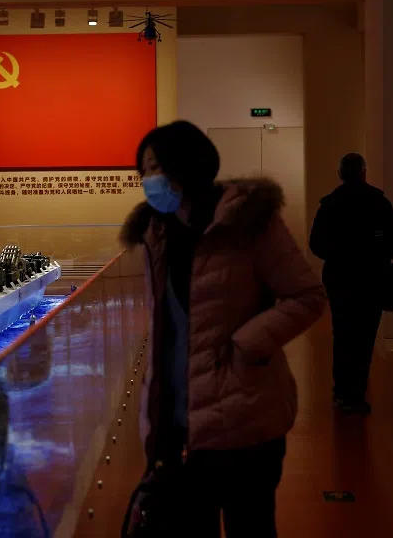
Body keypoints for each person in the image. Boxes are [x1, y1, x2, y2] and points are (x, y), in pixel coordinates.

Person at [120, 120, 326, 538]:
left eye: (155, 167)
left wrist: (248, 343)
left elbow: (307, 296)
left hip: (245, 414)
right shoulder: (157, 234)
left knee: (250, 526)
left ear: (186, 164)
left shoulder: (248, 222)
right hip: (182, 424)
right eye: (143, 172)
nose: (148, 180)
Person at [309, 153, 393, 415]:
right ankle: (356, 394)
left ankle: (341, 391)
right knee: (364, 338)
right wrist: (380, 253)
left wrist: (339, 255)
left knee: (342, 334)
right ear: (363, 172)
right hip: (372, 277)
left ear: (340, 174)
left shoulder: (329, 204)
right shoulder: (377, 201)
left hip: (340, 279)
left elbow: (316, 244)